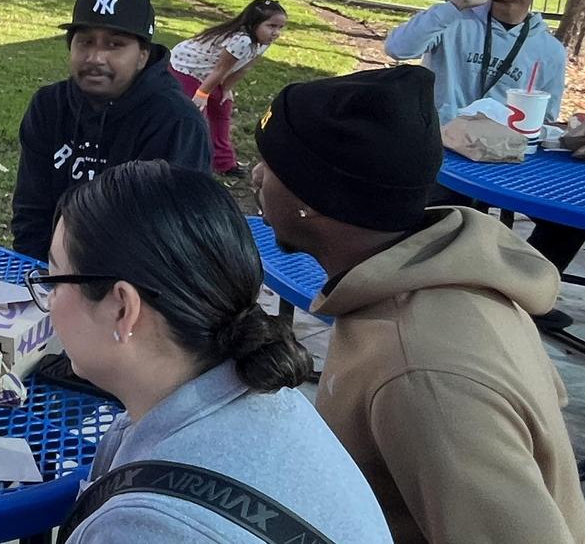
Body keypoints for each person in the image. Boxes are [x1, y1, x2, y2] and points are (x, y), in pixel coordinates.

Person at [250, 66, 585, 543]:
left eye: (271, 163)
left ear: (314, 200)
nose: (255, 175)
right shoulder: (436, 281)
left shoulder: (422, 374)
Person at [39, 161, 390, 543]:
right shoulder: (268, 397)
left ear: (123, 309)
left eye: (54, 280)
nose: (49, 299)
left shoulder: (144, 530)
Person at [383, 0, 583, 331]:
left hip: (504, 155)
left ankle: (518, 296)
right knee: (451, 216)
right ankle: (430, 306)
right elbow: (398, 48)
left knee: (570, 216)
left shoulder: (547, 50)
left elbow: (546, 115)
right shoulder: (456, 20)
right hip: (441, 150)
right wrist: (456, 5)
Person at [10, 0, 212, 260]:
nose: (95, 58)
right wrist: (35, 272)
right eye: (85, 42)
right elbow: (31, 211)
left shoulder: (176, 121)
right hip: (52, 270)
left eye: (114, 45)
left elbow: (174, 236)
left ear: (142, 55)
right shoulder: (49, 106)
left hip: (139, 276)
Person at [168, 0, 288, 176]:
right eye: (271, 26)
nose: (276, 32)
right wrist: (202, 95)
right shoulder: (242, 40)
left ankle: (223, 162)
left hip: (209, 74)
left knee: (222, 106)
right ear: (254, 23)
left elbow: (242, 68)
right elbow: (220, 69)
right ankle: (187, 163)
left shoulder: (263, 42)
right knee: (195, 115)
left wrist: (226, 89)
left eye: (280, 27)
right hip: (186, 68)